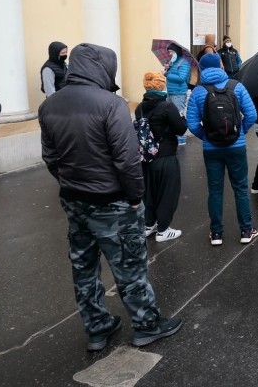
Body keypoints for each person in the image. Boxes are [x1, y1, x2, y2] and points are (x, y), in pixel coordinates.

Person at [38, 44, 183, 351]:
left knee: (84, 265)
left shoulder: (50, 105)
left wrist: (68, 183)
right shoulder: (111, 104)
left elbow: (50, 157)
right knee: (129, 265)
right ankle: (146, 324)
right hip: (112, 200)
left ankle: (97, 327)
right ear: (103, 68)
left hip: (74, 199)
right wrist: (134, 197)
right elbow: (127, 158)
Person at [186, 52, 258, 246]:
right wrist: (240, 133)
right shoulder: (236, 87)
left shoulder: (198, 91)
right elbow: (251, 114)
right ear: (221, 66)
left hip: (212, 149)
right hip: (236, 147)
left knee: (215, 191)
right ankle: (246, 230)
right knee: (241, 188)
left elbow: (192, 124)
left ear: (201, 69)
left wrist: (207, 136)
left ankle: (216, 233)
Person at [135, 72, 188, 242]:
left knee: (149, 192)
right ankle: (163, 230)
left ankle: (149, 225)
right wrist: (181, 117)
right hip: (165, 156)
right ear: (161, 86)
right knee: (167, 193)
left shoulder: (139, 108)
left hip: (146, 158)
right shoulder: (167, 107)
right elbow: (180, 129)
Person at [164, 43, 191, 145]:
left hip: (179, 93)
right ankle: (174, 135)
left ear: (176, 52)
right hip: (170, 92)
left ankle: (181, 138)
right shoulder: (173, 62)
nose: (170, 54)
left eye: (171, 51)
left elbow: (181, 78)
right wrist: (167, 68)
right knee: (171, 115)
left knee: (179, 115)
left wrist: (167, 74)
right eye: (169, 52)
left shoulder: (184, 63)